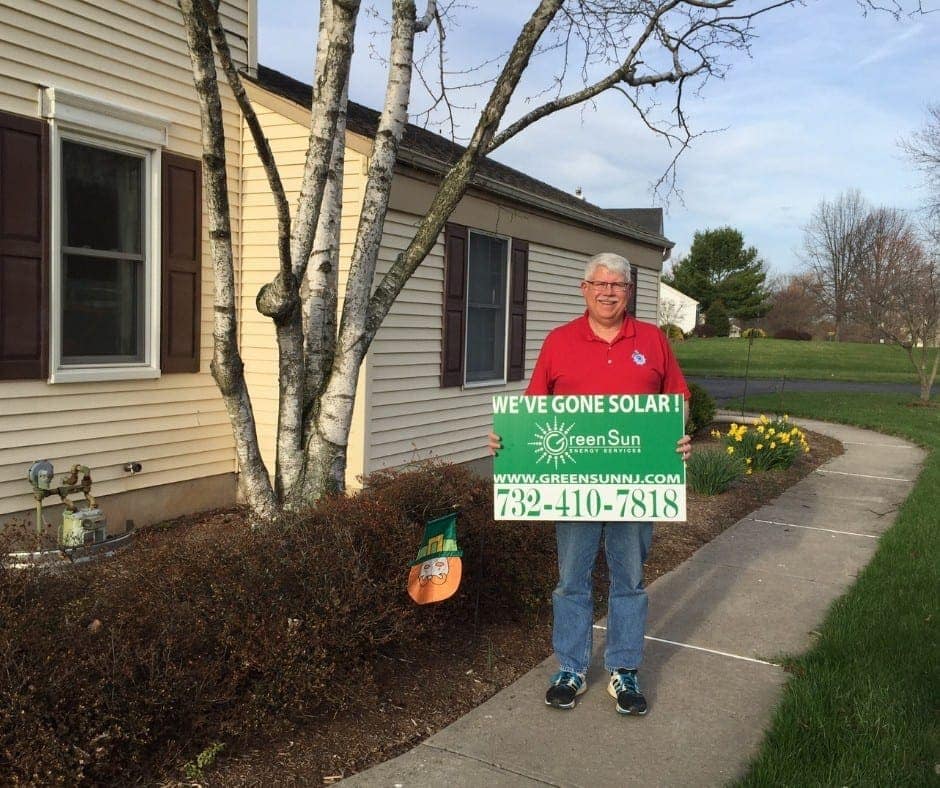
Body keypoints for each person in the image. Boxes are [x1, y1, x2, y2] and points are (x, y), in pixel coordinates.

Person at [489, 252, 691, 716]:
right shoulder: (559, 342)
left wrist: (680, 437)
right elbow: (533, 408)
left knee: (630, 582)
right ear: (584, 289)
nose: (607, 291)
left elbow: (676, 398)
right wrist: (508, 440)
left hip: (637, 485)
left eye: (617, 284)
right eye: (599, 284)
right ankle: (573, 667)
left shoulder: (654, 341)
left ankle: (624, 669)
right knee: (571, 581)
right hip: (573, 485)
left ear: (629, 291)